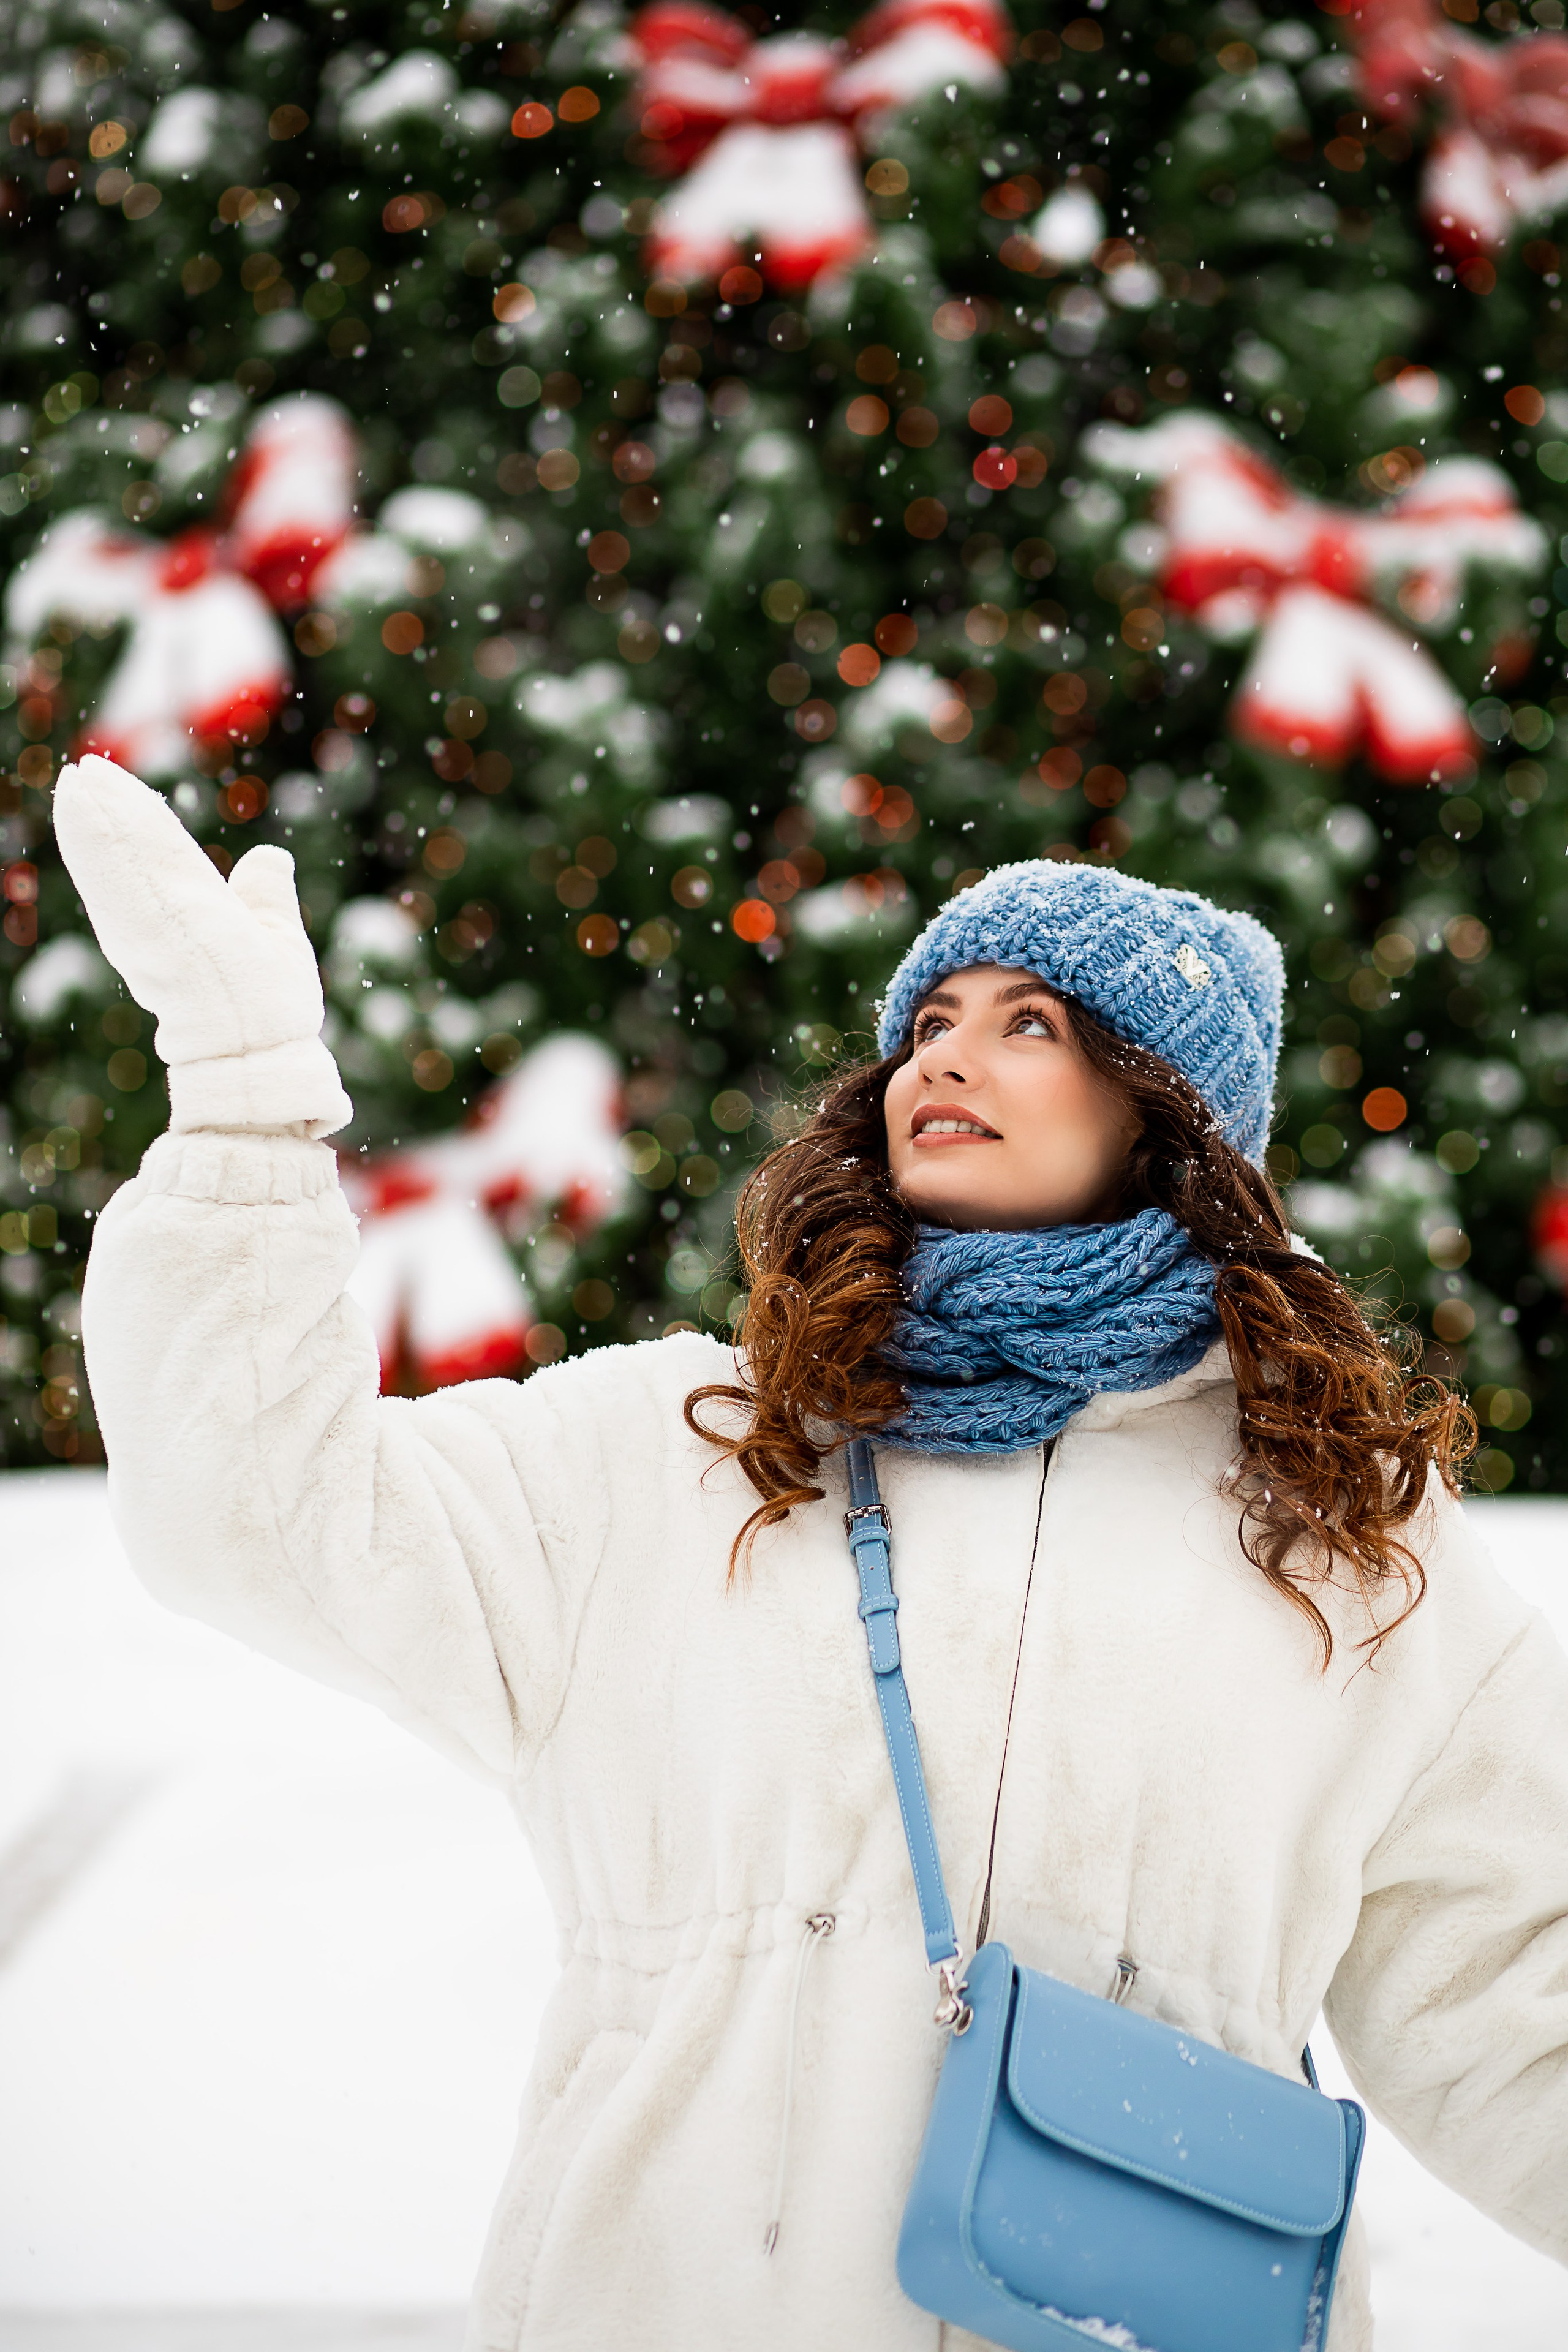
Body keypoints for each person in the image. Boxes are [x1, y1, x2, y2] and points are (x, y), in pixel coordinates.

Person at [54, 752, 1568, 2352]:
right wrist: (242, 1101)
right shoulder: (680, 1451)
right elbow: (261, 1509)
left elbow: (1513, 2013)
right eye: (929, 1020)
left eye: (1029, 1024)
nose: (948, 1057)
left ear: (1167, 1115)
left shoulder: (1338, 1533)